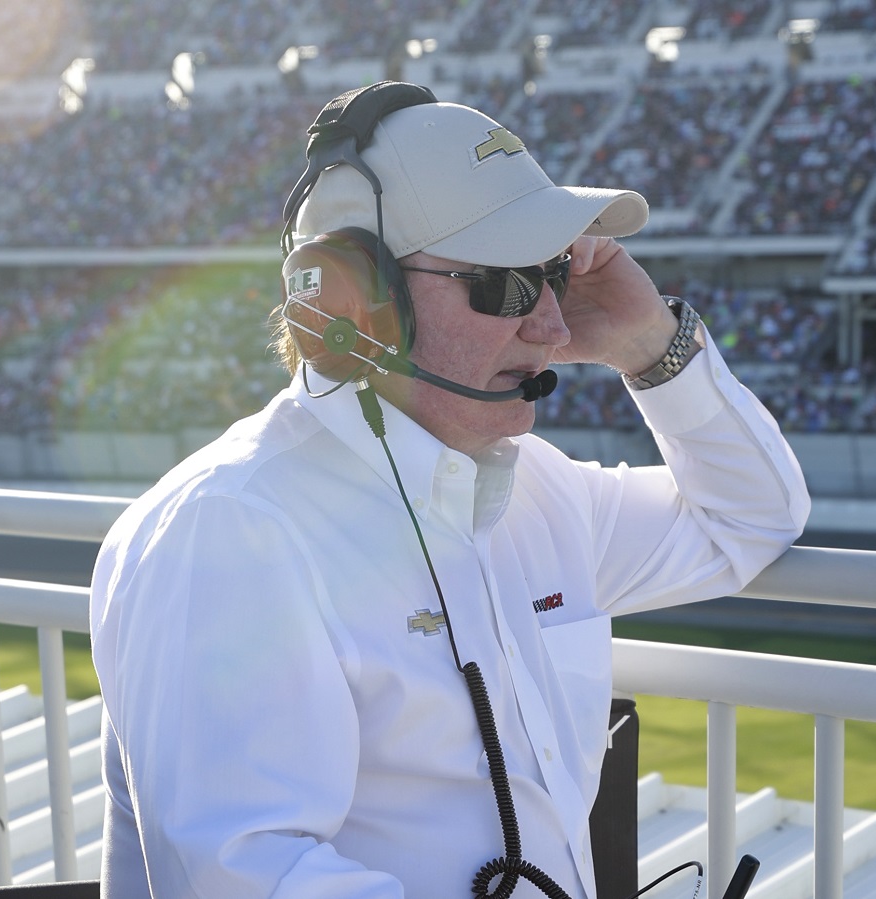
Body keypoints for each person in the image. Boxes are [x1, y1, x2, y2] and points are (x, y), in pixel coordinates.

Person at [89, 82, 809, 898]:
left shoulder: (539, 491)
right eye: (501, 285)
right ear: (358, 304)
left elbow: (751, 516)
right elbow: (250, 875)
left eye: (552, 277)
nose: (553, 327)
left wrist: (653, 346)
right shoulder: (228, 531)